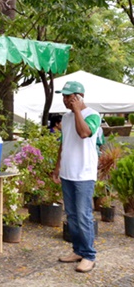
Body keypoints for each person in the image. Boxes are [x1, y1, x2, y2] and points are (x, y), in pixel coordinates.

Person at [53, 80, 101, 273]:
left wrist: (78, 110)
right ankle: (78, 250)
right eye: (63, 96)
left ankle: (89, 255)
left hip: (84, 174)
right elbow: (63, 144)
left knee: (83, 216)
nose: (65, 100)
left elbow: (83, 133)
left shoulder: (93, 115)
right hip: (67, 173)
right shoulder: (65, 118)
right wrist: (57, 168)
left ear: (79, 97)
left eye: (68, 96)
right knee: (72, 216)